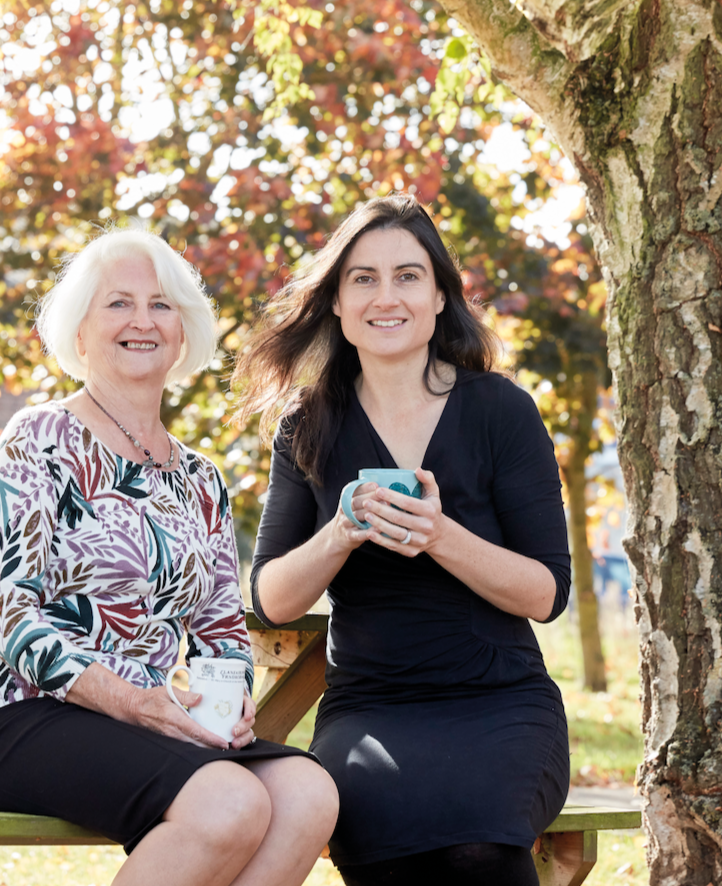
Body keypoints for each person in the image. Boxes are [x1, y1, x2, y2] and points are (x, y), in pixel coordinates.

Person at [0, 228, 338, 886]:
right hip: (15, 714)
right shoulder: (37, 441)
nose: (142, 321)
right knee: (230, 803)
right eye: (118, 304)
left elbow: (218, 625)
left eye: (161, 305)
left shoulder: (199, 479)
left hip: (148, 727)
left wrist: (229, 702)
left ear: (183, 332)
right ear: (80, 331)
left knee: (307, 795)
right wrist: (131, 702)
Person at [231, 195, 571, 886]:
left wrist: (443, 536)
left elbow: (547, 593)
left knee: (479, 843)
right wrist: (340, 534)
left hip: (501, 701)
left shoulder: (501, 410)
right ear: (336, 302)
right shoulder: (309, 424)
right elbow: (271, 599)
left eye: (408, 276)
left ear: (441, 295)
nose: (386, 297)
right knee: (382, 826)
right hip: (371, 706)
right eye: (363, 278)